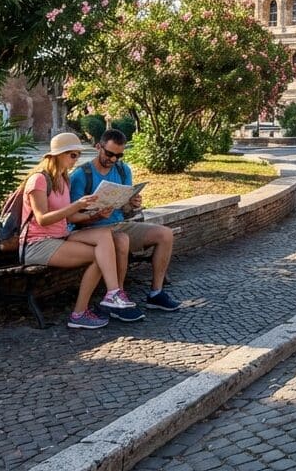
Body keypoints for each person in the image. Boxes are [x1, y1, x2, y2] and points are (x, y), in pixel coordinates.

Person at [20, 132, 140, 329]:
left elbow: (70, 218)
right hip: (38, 244)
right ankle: (81, 312)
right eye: (73, 155)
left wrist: (96, 216)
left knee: (103, 239)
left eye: (77, 155)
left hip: (60, 237)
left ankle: (111, 295)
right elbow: (41, 219)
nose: (76, 160)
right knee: (100, 256)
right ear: (58, 155)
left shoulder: (63, 179)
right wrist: (76, 206)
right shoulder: (39, 180)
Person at [69, 129, 180, 312]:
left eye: (118, 156)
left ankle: (156, 293)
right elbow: (73, 217)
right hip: (93, 230)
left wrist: (132, 203)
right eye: (109, 154)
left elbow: (125, 209)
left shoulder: (123, 170)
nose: (113, 160)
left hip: (120, 224)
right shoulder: (81, 175)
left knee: (165, 234)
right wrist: (96, 215)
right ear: (99, 147)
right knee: (121, 239)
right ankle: (118, 296)